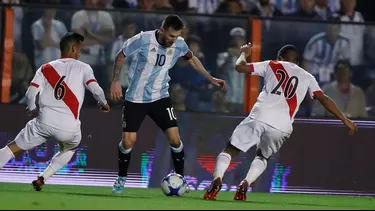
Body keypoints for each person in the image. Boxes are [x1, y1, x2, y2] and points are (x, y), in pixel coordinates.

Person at [203, 44, 358, 201]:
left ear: (281, 58)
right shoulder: (308, 77)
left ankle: (217, 179)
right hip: (282, 126)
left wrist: (244, 54)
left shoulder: (272, 64)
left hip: (260, 116)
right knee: (263, 157)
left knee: (230, 150)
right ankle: (245, 183)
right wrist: (344, 119)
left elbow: (239, 67)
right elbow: (323, 98)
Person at [110, 14, 227, 194]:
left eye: (177, 36)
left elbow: (192, 59)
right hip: (135, 97)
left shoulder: (180, 44)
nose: (174, 40)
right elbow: (121, 55)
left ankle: (181, 180)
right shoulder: (143, 39)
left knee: (175, 139)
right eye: (171, 36)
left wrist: (211, 78)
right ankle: (121, 178)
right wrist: (116, 80)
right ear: (162, 30)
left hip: (160, 97)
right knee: (128, 141)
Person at [0, 32, 110, 191]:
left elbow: (30, 93)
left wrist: (31, 108)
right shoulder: (84, 68)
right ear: (73, 48)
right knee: (71, 147)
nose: (79, 52)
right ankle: (43, 178)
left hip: (43, 123)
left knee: (13, 148)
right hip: (69, 128)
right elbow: (96, 90)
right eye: (79, 49)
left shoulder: (45, 68)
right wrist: (104, 103)